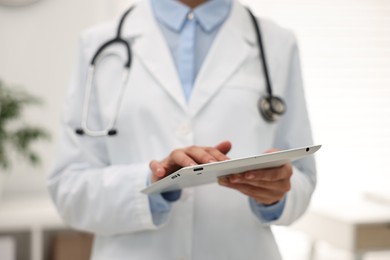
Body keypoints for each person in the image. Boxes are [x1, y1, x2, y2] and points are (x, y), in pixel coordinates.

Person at [47, 0, 316, 259]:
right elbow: (69, 189)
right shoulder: (97, 45)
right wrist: (152, 181)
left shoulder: (277, 43)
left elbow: (302, 176)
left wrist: (276, 195)